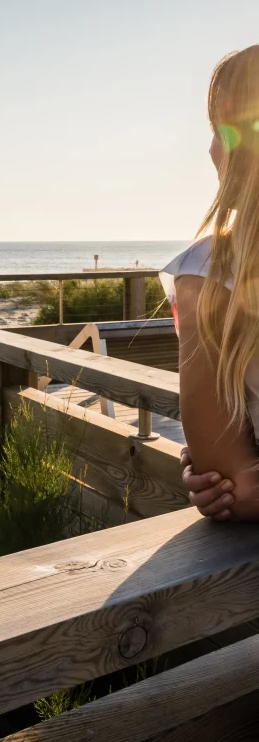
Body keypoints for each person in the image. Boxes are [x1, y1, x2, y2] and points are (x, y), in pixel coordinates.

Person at [161, 46, 259, 521]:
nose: (211, 151)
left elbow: (233, 490)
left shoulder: (208, 272)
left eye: (218, 131)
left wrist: (215, 451)